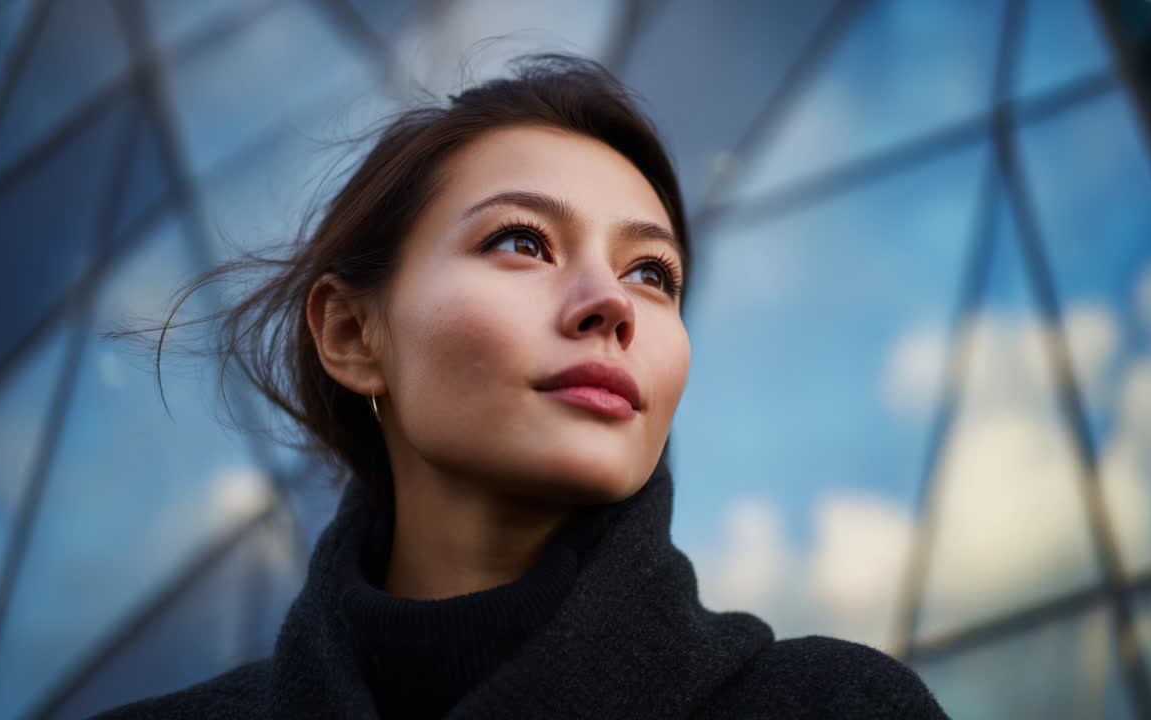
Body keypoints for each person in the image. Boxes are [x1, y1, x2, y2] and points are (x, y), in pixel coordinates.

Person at [95, 53, 947, 719]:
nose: (611, 303)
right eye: (523, 244)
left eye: (653, 273)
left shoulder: (836, 706)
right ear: (353, 335)